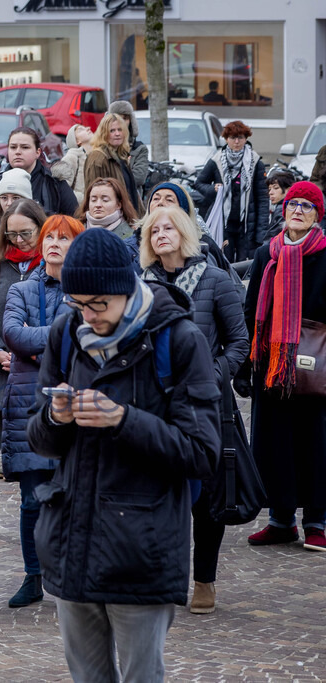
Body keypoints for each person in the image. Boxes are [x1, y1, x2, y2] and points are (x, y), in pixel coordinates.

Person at [27, 228, 220, 682]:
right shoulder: (66, 332)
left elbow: (202, 452)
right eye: (79, 304)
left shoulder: (180, 339)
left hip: (141, 550)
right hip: (71, 541)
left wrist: (123, 420)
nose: (89, 316)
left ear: (127, 288)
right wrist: (56, 418)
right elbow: (40, 440)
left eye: (99, 304)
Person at [139, 206, 248, 614]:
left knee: (206, 497)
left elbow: (239, 343)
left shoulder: (215, 281)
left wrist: (208, 376)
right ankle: (163, 576)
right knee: (159, 493)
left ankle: (204, 579)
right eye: (154, 229)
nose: (161, 234)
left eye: (168, 227)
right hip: (156, 403)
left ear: (184, 233)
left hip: (205, 405)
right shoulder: (141, 285)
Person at [0, 214, 84, 608]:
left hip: (75, 402)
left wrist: (40, 345)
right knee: (32, 499)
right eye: (49, 236)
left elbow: (90, 336)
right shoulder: (21, 288)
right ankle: (33, 576)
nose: (53, 243)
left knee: (75, 496)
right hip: (28, 403)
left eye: (63, 238)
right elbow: (13, 334)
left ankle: (73, 575)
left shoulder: (87, 291)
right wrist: (62, 338)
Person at [241, 181, 326, 552]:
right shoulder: (267, 253)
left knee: (314, 442)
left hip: (314, 365)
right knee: (274, 442)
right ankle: (280, 521)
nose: (298, 210)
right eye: (293, 203)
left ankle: (317, 521)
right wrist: (246, 363)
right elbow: (249, 310)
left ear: (318, 215)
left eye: (308, 206)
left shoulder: (325, 254)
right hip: (271, 364)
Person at [0, 198, 47, 480]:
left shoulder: (50, 264)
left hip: (38, 361)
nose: (19, 240)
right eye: (12, 234)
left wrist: (29, 351)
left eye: (26, 233)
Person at [194, 120, 269, 263]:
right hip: (223, 223)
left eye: (240, 137)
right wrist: (213, 189)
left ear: (246, 139)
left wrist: (261, 232)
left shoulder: (255, 161)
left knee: (244, 265)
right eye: (232, 138)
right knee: (223, 262)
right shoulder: (217, 160)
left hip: (247, 226)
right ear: (226, 139)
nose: (236, 141)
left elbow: (262, 198)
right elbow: (199, 183)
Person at [0, 127, 78, 221]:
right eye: (13, 147)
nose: (18, 152)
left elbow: (74, 221)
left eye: (25, 147)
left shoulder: (54, 183)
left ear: (38, 152)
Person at [84, 113, 140, 213]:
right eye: (112, 131)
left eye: (120, 130)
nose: (117, 134)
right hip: (110, 219)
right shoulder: (97, 158)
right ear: (104, 134)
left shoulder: (121, 155)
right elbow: (94, 195)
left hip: (127, 217)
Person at [76, 176, 140, 244]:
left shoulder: (131, 234)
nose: (98, 205)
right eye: (93, 200)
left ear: (118, 204)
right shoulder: (76, 230)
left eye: (105, 200)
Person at [108, 100, 150, 194]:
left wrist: (110, 179)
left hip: (131, 198)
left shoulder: (139, 148)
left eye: (125, 118)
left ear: (131, 121)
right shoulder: (102, 148)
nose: (121, 121)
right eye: (117, 118)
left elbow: (139, 177)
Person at [50, 124, 93, 204]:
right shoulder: (72, 156)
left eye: (86, 127)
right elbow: (63, 187)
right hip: (79, 209)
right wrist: (82, 199)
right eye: (81, 130)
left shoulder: (97, 156)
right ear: (77, 141)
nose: (88, 128)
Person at [264, 170, 295, 245]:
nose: (270, 192)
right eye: (269, 189)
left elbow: (272, 237)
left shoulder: (283, 210)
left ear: (288, 190)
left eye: (276, 188)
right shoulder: (280, 207)